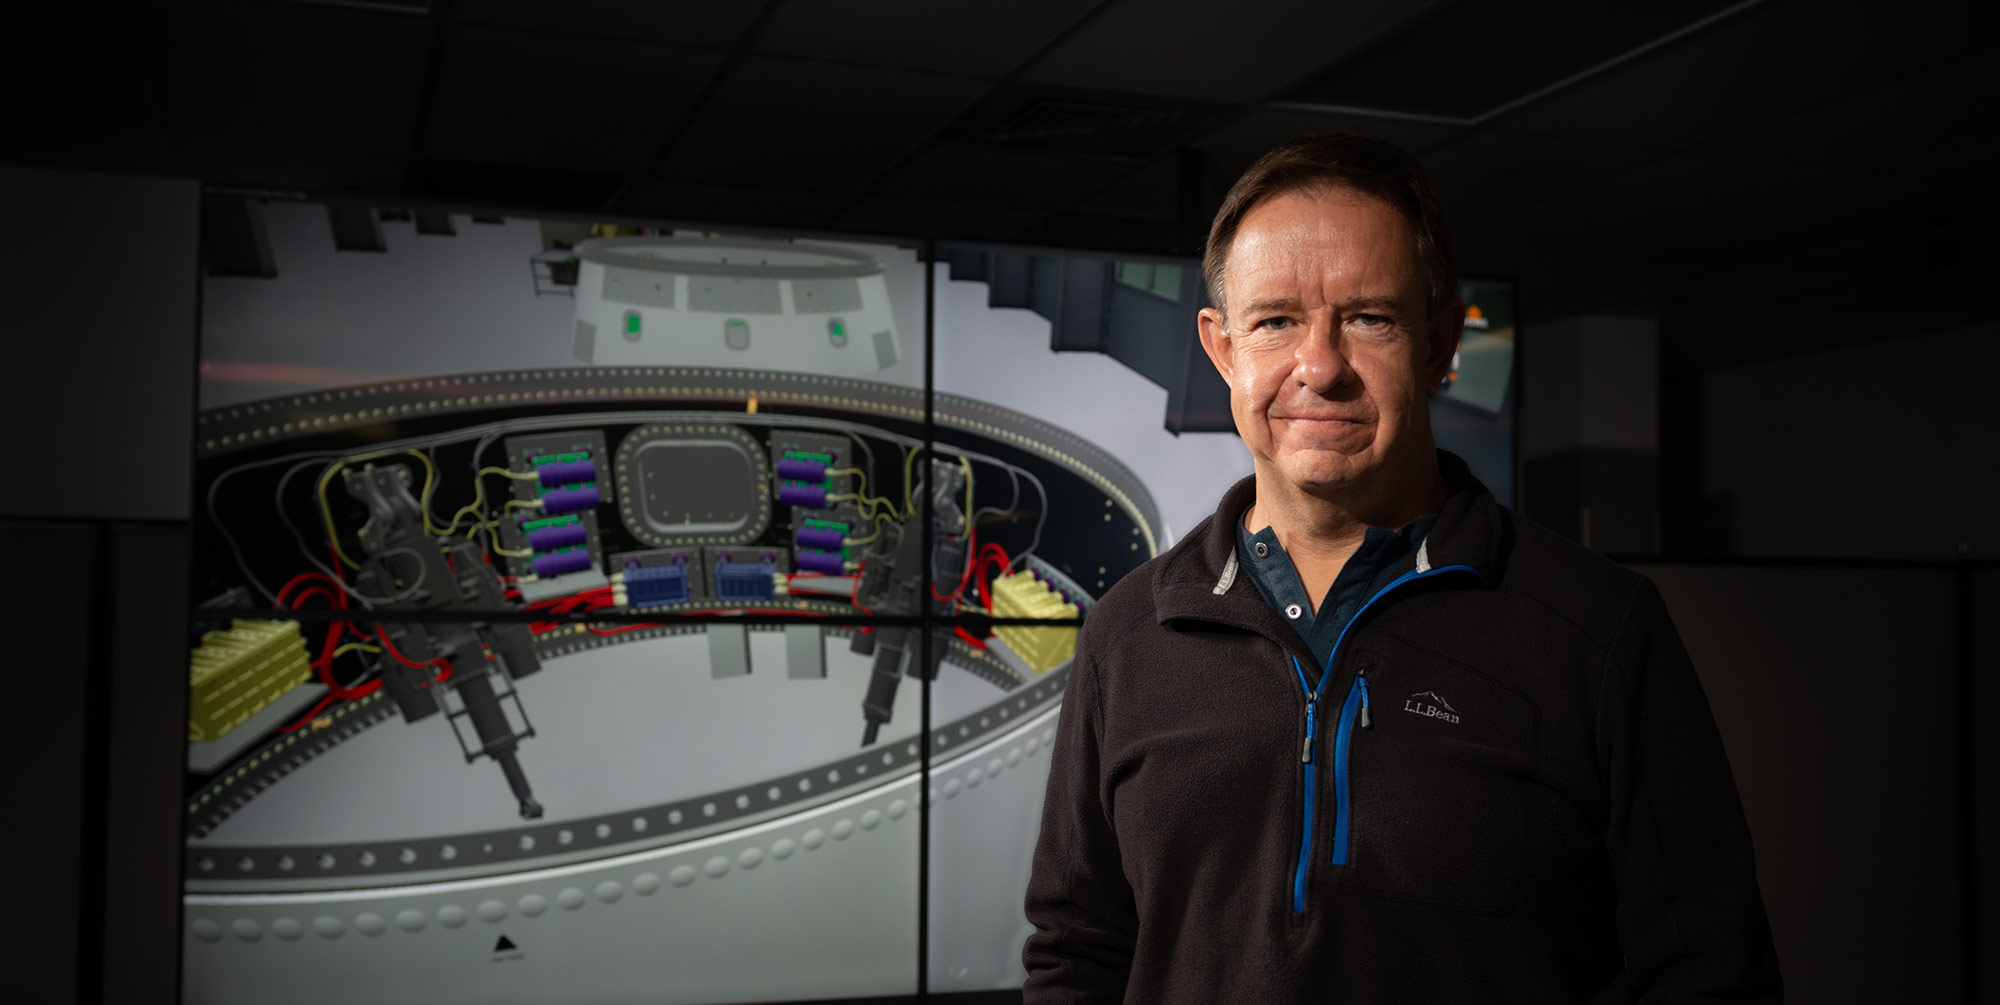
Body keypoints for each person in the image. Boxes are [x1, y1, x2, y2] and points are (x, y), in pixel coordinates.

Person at [1021, 134, 1781, 1002]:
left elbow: (1709, 974)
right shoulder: (1129, 632)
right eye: (1275, 321)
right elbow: (1078, 949)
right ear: (1223, 349)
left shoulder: (1599, 631)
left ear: (1440, 342)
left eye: (1369, 317)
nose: (1321, 367)